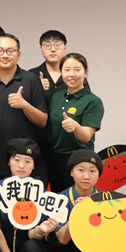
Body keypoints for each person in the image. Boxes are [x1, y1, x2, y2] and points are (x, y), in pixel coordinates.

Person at [0, 33, 47, 184]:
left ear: (18, 55)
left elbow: (42, 121)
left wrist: (24, 105)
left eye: (10, 51)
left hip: (23, 164)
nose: (5, 55)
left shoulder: (31, 80)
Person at [0, 139, 56, 252]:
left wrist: (40, 230)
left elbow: (33, 234)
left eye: (27, 161)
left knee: (32, 248)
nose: (21, 166)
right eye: (16, 159)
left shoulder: (40, 192)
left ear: (34, 165)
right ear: (8, 162)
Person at [46, 53, 104, 192]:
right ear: (61, 72)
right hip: (54, 158)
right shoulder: (56, 97)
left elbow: (86, 137)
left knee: (78, 200)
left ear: (86, 72)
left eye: (77, 70)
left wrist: (76, 127)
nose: (71, 74)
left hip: (79, 159)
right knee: (58, 198)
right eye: (66, 70)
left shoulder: (93, 101)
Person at [52, 149, 104, 252]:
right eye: (81, 170)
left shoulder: (106, 200)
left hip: (97, 250)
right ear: (72, 172)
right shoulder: (60, 199)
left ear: (98, 175)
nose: (86, 176)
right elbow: (62, 239)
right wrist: (77, 213)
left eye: (92, 171)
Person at [29, 30, 69, 103]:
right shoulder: (31, 75)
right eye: (47, 45)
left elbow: (86, 102)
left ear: (65, 48)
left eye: (57, 45)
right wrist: (37, 89)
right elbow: (23, 103)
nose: (53, 49)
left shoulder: (74, 75)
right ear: (41, 49)